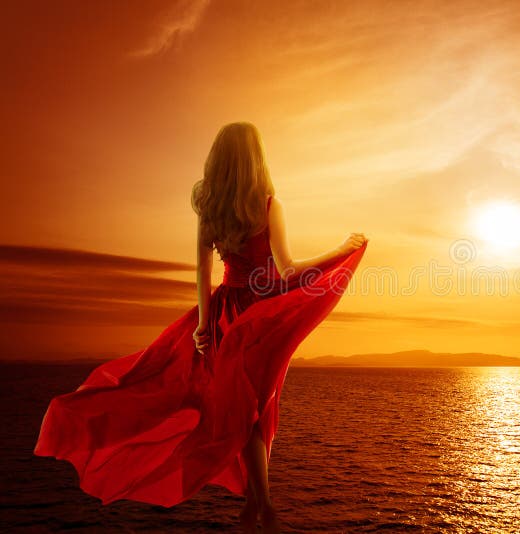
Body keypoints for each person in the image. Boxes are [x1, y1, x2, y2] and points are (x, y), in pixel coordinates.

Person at [33, 122, 368, 534]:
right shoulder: (267, 204)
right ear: (255, 158)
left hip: (226, 313)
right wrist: (341, 249)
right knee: (253, 408)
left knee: (243, 409)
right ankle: (262, 507)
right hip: (261, 318)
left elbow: (203, 267)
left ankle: (258, 506)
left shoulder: (209, 203)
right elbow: (288, 270)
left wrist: (204, 326)